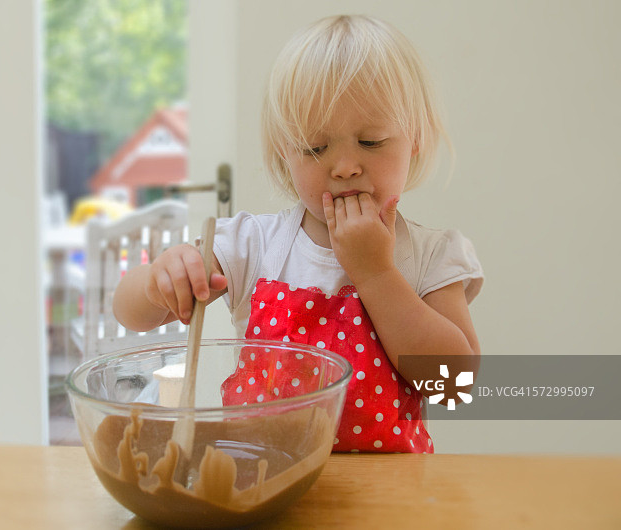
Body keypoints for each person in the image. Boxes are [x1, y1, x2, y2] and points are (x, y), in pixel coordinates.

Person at [113, 14, 483, 453]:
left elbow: (454, 385)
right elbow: (130, 313)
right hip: (263, 478)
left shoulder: (431, 255)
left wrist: (376, 274)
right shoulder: (254, 245)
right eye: (315, 148)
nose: (345, 166)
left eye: (371, 141)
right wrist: (161, 278)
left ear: (415, 138)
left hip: (389, 488)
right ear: (285, 153)